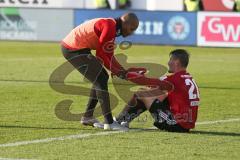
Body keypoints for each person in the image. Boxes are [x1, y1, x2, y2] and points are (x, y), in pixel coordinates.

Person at [61, 13, 139, 131]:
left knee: (101, 77)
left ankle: (88, 117)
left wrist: (121, 71)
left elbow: (109, 55)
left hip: (76, 47)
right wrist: (118, 72)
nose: (131, 32)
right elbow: (101, 55)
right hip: (73, 48)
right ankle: (109, 122)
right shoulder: (110, 26)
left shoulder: (112, 27)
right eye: (131, 28)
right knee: (101, 78)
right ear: (125, 23)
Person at [116, 49, 200, 132]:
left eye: (170, 59)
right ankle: (123, 120)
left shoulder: (173, 79)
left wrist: (126, 74)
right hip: (185, 123)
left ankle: (119, 121)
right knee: (151, 92)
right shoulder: (188, 78)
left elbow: (146, 81)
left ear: (176, 62)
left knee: (141, 93)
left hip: (176, 124)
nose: (168, 62)